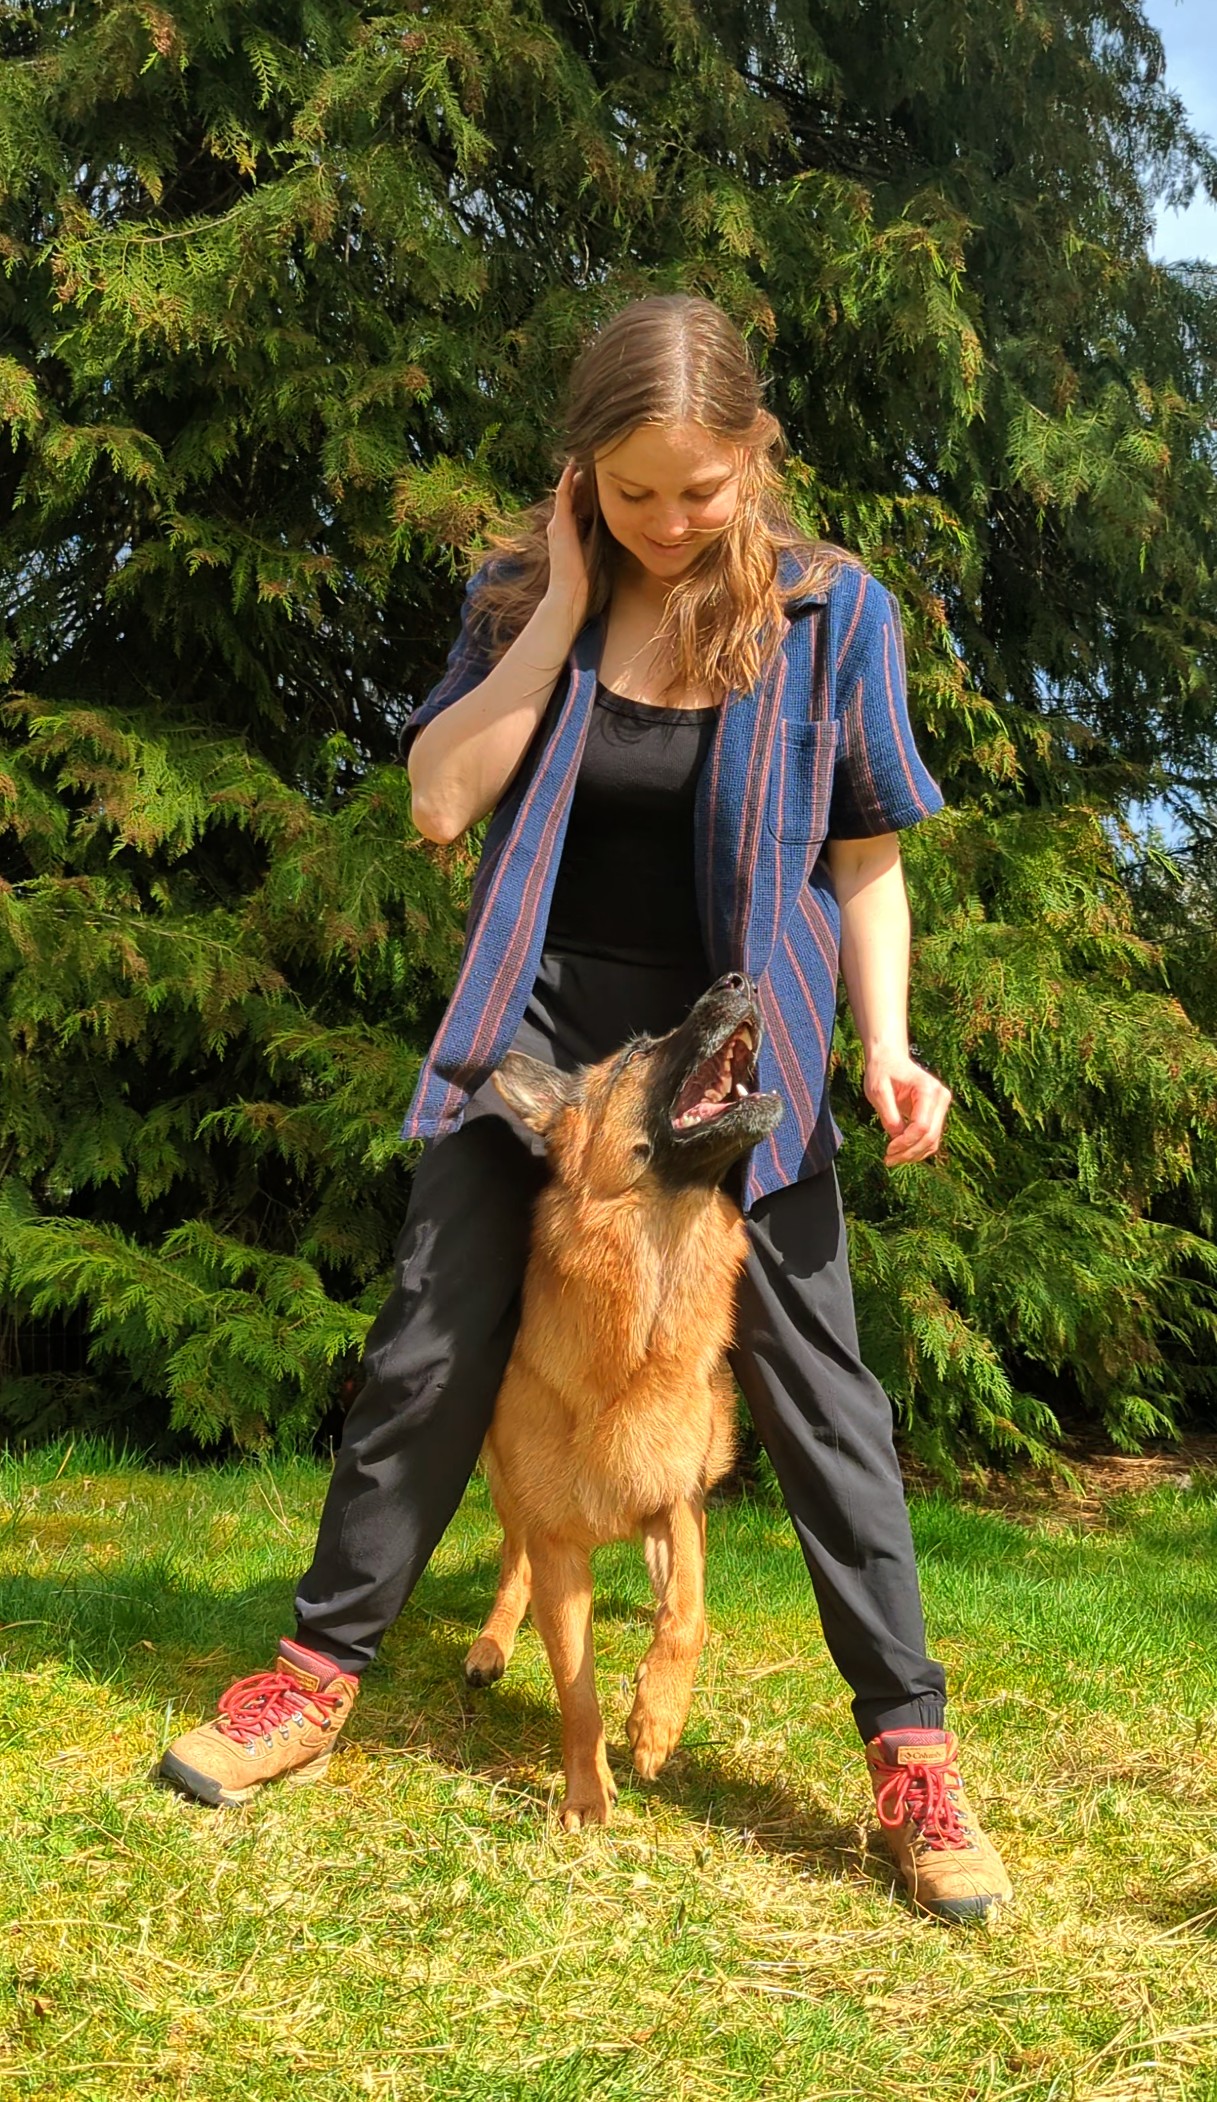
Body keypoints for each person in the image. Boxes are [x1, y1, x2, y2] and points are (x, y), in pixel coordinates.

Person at [160, 294, 1012, 1924]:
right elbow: (435, 801)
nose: (674, 523)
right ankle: (315, 1676)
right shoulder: (515, 591)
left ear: (753, 455)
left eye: (702, 490)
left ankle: (910, 1756)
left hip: (732, 1042)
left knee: (820, 1383)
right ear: (580, 476)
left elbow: (865, 860)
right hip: (539, 1032)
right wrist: (560, 606)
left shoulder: (836, 612)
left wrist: (889, 1047)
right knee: (431, 1336)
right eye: (634, 494)